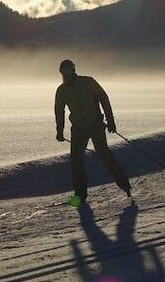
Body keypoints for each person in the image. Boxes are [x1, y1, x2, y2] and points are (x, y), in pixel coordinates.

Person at [55, 59, 131, 202]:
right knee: (76, 162)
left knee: (104, 154)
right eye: (63, 73)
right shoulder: (62, 90)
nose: (65, 76)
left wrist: (110, 120)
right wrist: (59, 131)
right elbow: (59, 111)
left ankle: (125, 185)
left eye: (67, 72)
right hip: (78, 128)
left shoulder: (88, 82)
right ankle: (79, 197)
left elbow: (104, 99)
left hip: (95, 124)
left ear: (73, 70)